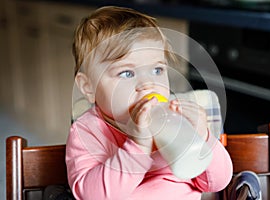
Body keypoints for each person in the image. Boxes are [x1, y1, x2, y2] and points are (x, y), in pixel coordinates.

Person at [66, 6, 233, 200]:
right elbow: (90, 196)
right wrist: (138, 146)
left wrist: (203, 138)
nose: (148, 85)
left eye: (157, 70)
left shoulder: (177, 117)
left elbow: (218, 183)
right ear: (89, 87)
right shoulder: (88, 131)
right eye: (127, 73)